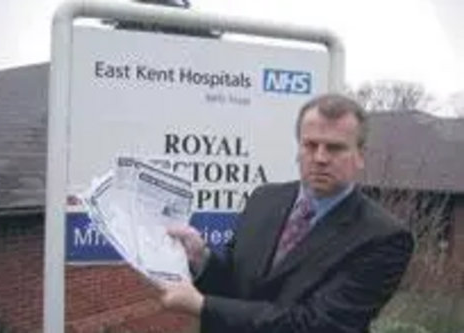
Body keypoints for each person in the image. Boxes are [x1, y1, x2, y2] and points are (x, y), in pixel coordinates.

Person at [159, 93, 415, 333]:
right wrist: (201, 259)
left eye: (335, 148)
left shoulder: (385, 237)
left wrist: (203, 305)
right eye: (310, 145)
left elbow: (318, 325)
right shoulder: (264, 199)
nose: (320, 157)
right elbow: (236, 287)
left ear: (360, 156)